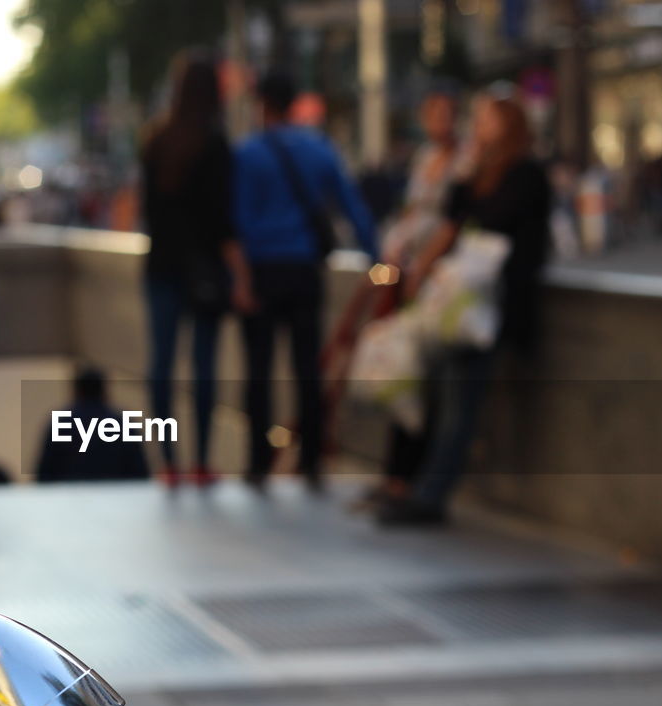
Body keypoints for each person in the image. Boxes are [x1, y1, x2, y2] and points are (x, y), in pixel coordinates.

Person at [377, 94, 550, 526]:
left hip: (490, 304)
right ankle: (416, 485)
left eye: (486, 120)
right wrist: (468, 170)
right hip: (461, 305)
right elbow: (456, 213)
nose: (478, 127)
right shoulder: (482, 171)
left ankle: (429, 494)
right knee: (442, 394)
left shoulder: (526, 174)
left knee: (461, 406)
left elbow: (489, 221)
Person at [234, 68, 379, 489]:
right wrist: (377, 258)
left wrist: (240, 279)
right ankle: (313, 458)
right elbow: (353, 207)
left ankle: (259, 461)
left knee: (257, 371)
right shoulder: (319, 149)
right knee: (307, 366)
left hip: (262, 270)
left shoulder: (248, 154)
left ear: (262, 105)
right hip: (304, 270)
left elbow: (238, 221)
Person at [140, 50, 252, 487]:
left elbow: (150, 211)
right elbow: (223, 221)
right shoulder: (215, 143)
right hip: (204, 271)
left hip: (161, 266)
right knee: (204, 367)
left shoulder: (155, 140)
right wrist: (240, 275)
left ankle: (167, 464)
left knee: (161, 367)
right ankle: (202, 461)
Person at [362, 89, 463, 508]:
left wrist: (421, 265)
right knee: (405, 373)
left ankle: (412, 477)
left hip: (439, 287)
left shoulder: (464, 162)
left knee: (427, 379)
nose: (437, 120)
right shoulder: (425, 161)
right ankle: (397, 473)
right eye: (431, 112)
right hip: (409, 279)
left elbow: (451, 221)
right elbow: (411, 214)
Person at [36, 367, 149, 483]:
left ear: (76, 391)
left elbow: (44, 474)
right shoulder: (123, 423)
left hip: (69, 496)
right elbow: (140, 472)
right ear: (104, 390)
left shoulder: (61, 423)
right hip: (115, 495)